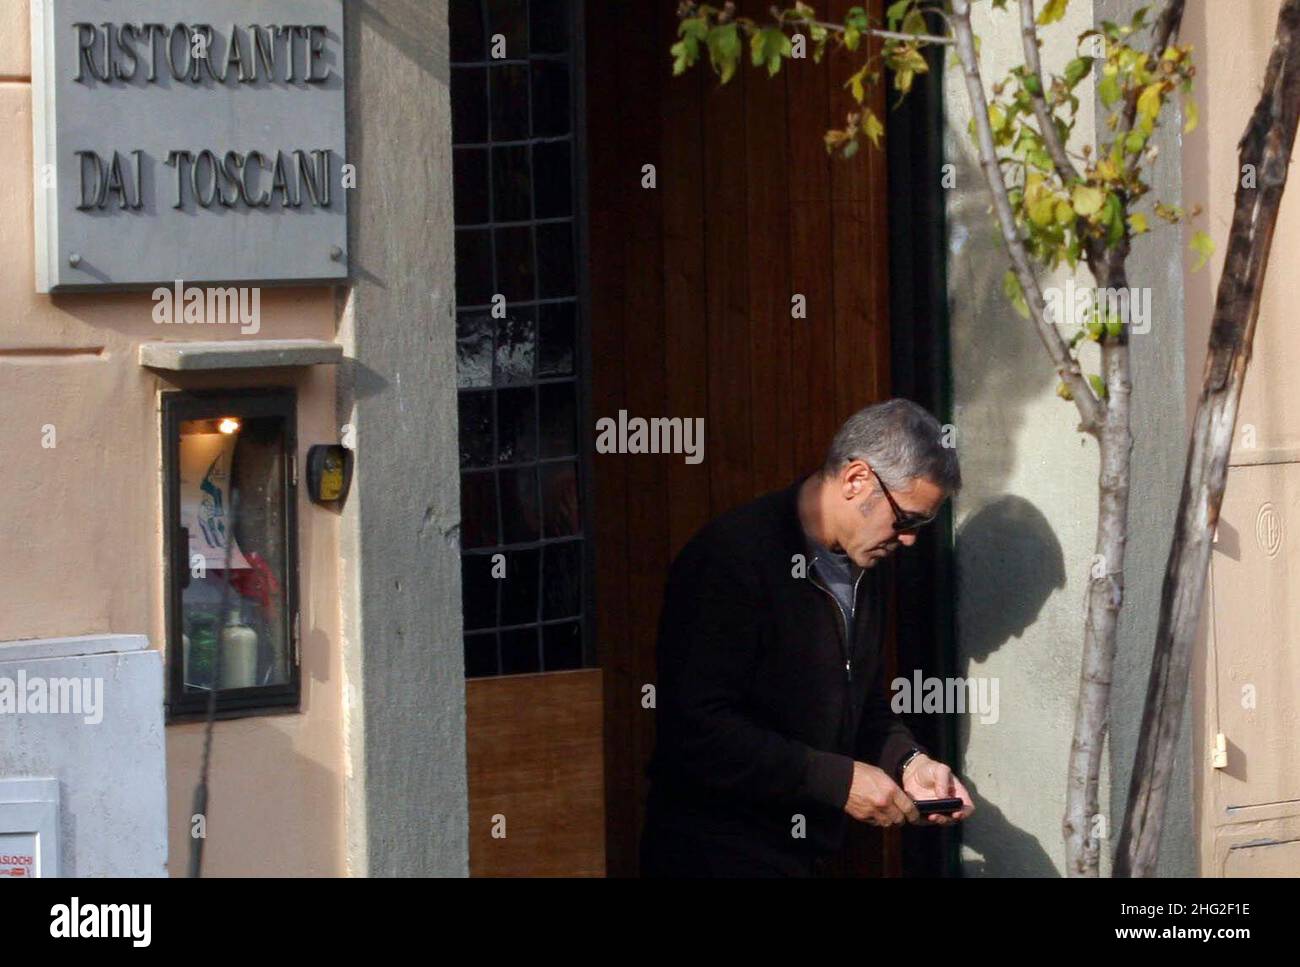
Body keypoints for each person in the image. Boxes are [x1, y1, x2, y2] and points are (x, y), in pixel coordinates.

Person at [640, 398, 975, 877]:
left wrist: (910, 764)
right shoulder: (731, 559)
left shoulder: (864, 564)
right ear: (857, 479)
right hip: (714, 853)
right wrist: (838, 781)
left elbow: (859, 704)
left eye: (922, 525)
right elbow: (695, 728)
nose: (909, 541)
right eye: (906, 520)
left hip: (807, 854)